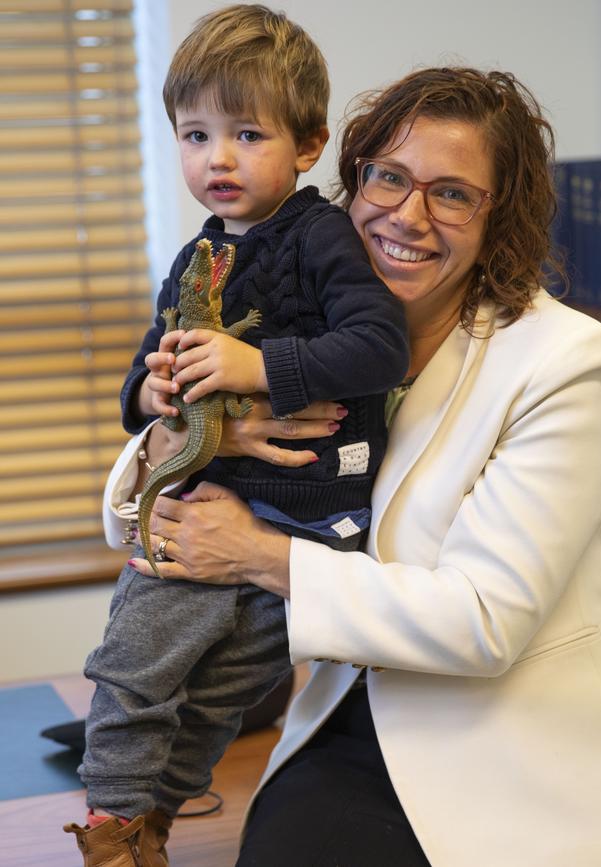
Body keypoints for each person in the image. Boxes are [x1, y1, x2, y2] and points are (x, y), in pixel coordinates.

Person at [106, 66, 601, 867]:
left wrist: (255, 550)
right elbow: (133, 523)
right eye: (388, 177)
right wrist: (187, 443)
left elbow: (484, 620)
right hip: (343, 712)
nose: (408, 215)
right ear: (350, 178)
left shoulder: (566, 359)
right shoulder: (301, 325)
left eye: (453, 193)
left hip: (510, 746)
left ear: (501, 216)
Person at [64, 5, 409, 865]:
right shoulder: (193, 261)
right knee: (134, 664)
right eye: (194, 134)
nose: (216, 158)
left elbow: (378, 346)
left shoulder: (321, 236)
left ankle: (153, 822)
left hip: (306, 534)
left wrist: (255, 368)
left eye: (246, 132)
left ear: (308, 144)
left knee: (220, 695)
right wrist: (148, 391)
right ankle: (114, 825)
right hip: (202, 505)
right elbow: (149, 377)